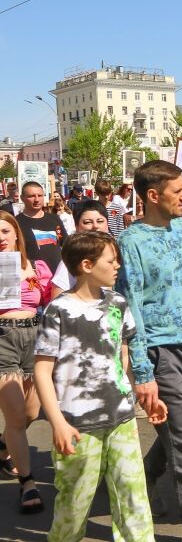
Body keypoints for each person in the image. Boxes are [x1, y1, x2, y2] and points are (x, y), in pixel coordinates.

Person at [115, 160, 182, 542]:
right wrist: (143, 374)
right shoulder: (131, 242)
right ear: (152, 195)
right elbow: (132, 311)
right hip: (161, 353)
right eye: (179, 190)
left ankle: (146, 476)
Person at [34, 231, 164, 541]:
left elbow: (122, 353)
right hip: (77, 425)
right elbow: (42, 369)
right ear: (87, 265)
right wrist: (58, 423)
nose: (117, 265)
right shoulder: (59, 310)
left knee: (133, 497)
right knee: (74, 506)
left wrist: (136, 394)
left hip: (121, 418)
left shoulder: (117, 302)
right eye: (111, 260)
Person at [0, 211, 52, 514]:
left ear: (16, 233)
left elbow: (50, 299)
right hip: (3, 339)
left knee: (32, 411)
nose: (1, 237)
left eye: (5, 231)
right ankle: (27, 483)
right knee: (17, 417)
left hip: (34, 338)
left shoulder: (36, 266)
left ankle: (5, 446)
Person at [49, 201, 110, 297]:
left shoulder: (117, 254)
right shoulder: (70, 261)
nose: (95, 226)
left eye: (100, 221)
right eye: (88, 222)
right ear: (77, 227)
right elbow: (56, 303)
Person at [16, 182, 66, 273]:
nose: (36, 199)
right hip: (33, 279)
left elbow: (66, 244)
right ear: (22, 198)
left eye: (40, 195)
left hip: (57, 277)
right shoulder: (16, 223)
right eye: (31, 196)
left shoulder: (54, 219)